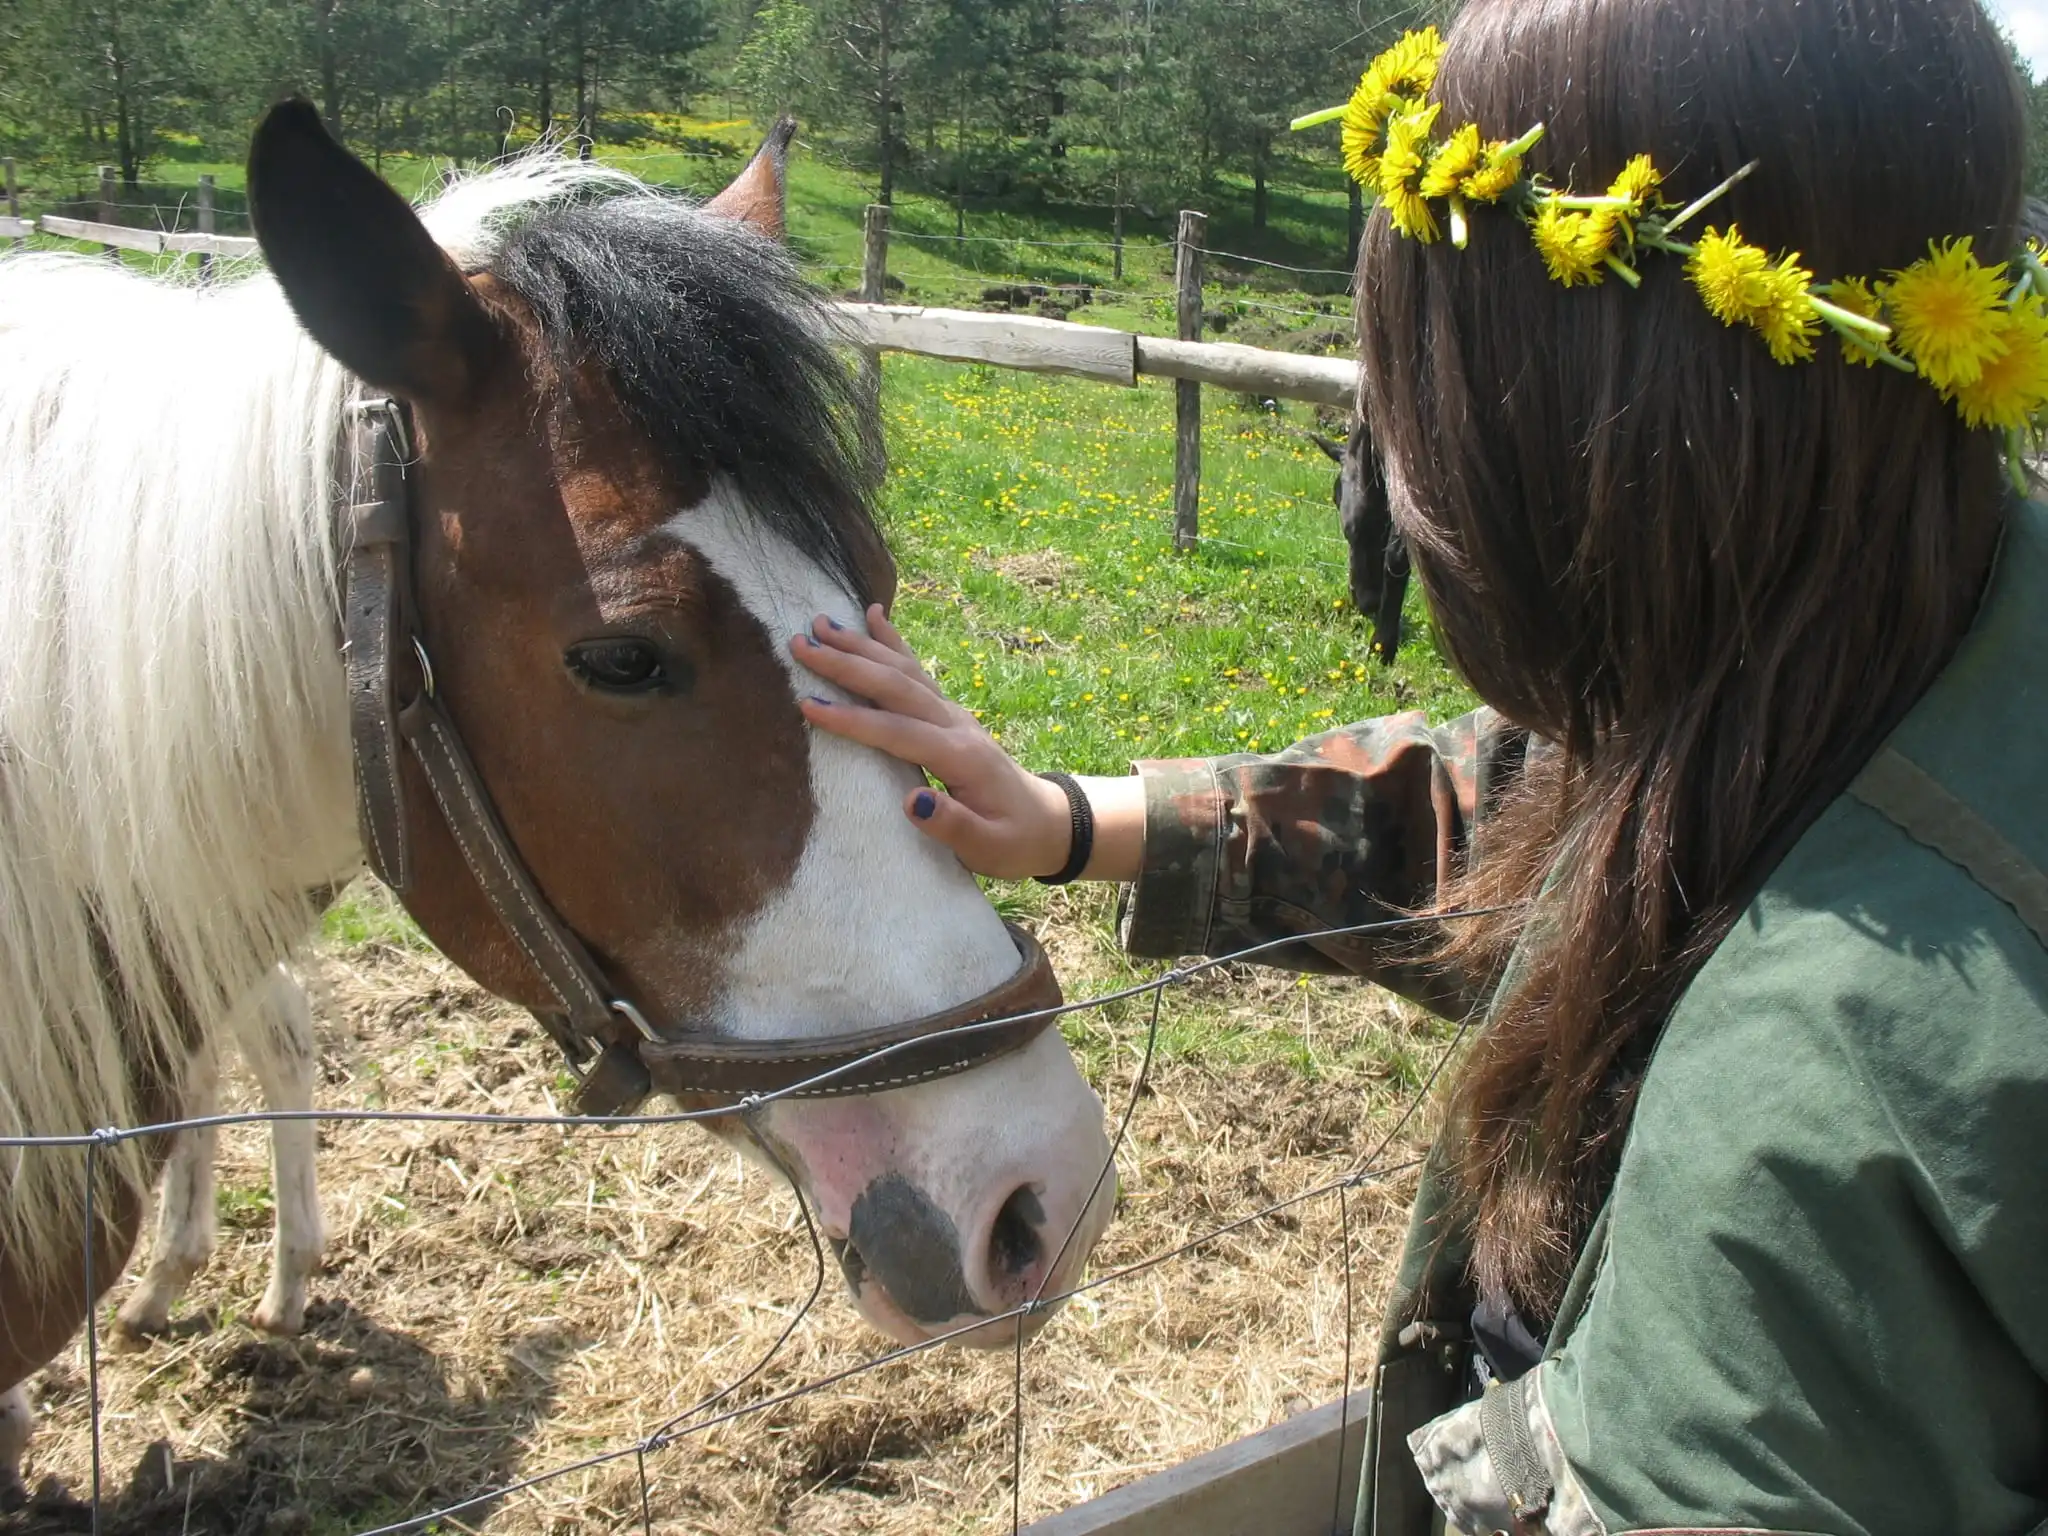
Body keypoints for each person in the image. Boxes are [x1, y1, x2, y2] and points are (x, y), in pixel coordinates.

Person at [795, 0, 2048, 1529]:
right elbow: (1551, 806)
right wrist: (1073, 821)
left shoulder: (1809, 1114)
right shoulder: (1909, 636)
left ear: (1581, 422)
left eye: (1417, 379)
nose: (1394, 442)